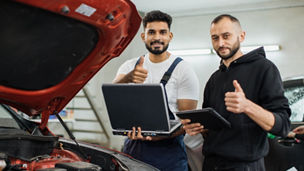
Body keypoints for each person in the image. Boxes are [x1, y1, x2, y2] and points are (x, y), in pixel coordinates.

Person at [182, 14, 291, 171]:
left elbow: (283, 126)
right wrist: (198, 128)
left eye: (226, 36)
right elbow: (211, 128)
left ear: (242, 36)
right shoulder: (214, 79)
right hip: (211, 164)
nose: (221, 43)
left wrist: (247, 106)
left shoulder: (264, 69)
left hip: (245, 166)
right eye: (215, 38)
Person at [113, 10, 199, 171]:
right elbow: (113, 97)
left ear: (170, 36)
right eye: (151, 32)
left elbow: (188, 121)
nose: (157, 37)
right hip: (133, 148)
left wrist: (156, 136)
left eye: (162, 32)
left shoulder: (183, 70)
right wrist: (128, 79)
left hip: (169, 154)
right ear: (143, 36)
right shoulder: (129, 66)